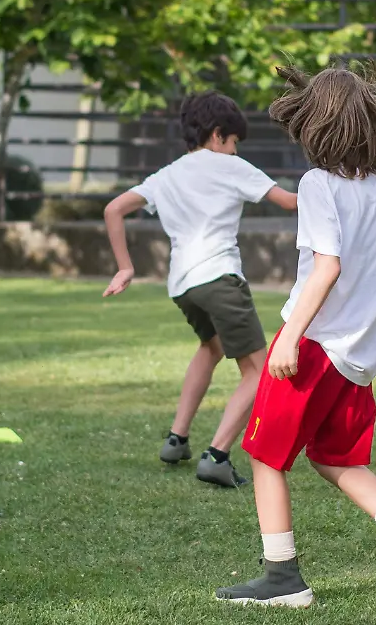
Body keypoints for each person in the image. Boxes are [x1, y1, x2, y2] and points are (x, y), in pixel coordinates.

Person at [216, 64, 376, 610]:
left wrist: (287, 339)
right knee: (334, 457)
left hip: (316, 344)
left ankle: (282, 577)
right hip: (361, 354)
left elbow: (327, 267)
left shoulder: (319, 185)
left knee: (265, 455)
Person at [102, 92, 298, 488]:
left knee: (211, 347)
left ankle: (177, 439)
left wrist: (125, 267)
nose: (235, 148)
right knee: (260, 372)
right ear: (217, 135)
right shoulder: (231, 167)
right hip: (220, 277)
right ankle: (218, 455)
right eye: (234, 141)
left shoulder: (168, 174)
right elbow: (290, 203)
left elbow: (114, 209)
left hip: (183, 284)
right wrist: (335, 186)